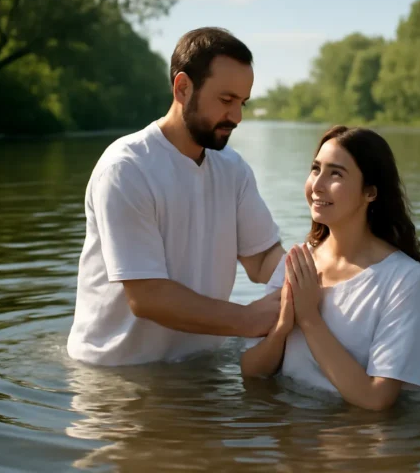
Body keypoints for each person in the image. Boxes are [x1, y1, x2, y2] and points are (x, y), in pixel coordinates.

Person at [67, 27, 285, 366]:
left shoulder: (233, 170)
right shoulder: (127, 168)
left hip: (200, 369)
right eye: (226, 101)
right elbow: (148, 297)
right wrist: (247, 319)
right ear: (183, 88)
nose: (237, 117)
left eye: (242, 103)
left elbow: (262, 260)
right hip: (115, 378)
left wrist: (318, 279)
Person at [240, 125, 420, 411]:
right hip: (291, 437)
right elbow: (250, 371)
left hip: (351, 439)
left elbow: (376, 400)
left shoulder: (403, 279)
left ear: (370, 192)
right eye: (315, 169)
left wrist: (309, 319)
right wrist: (282, 328)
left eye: (336, 174)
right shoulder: (299, 262)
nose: (317, 185)